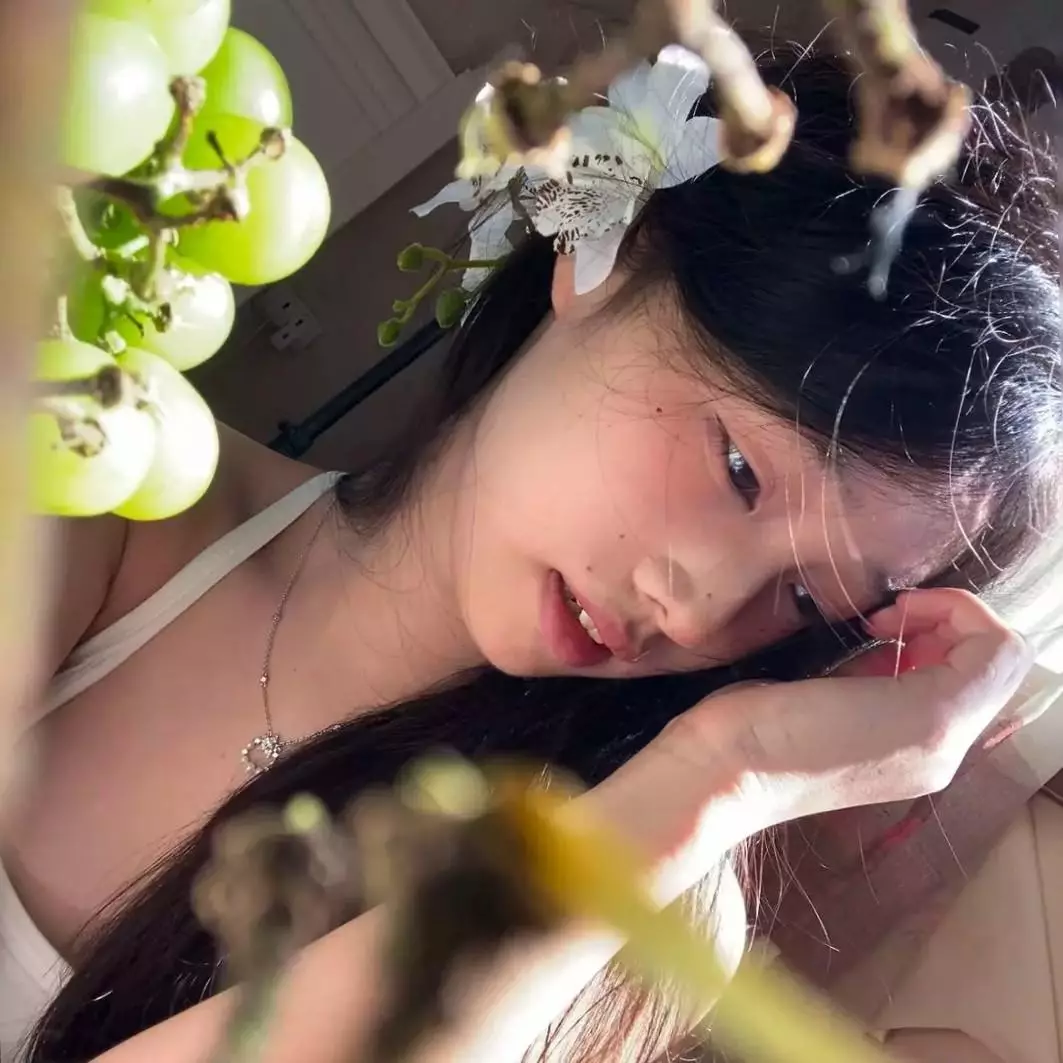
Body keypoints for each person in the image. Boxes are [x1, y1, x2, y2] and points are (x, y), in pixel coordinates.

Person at [1, 47, 1059, 1063]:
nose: (700, 613)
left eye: (799, 594)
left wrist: (728, 773)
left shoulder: (644, 883)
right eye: (739, 471)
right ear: (607, 251)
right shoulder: (121, 496)